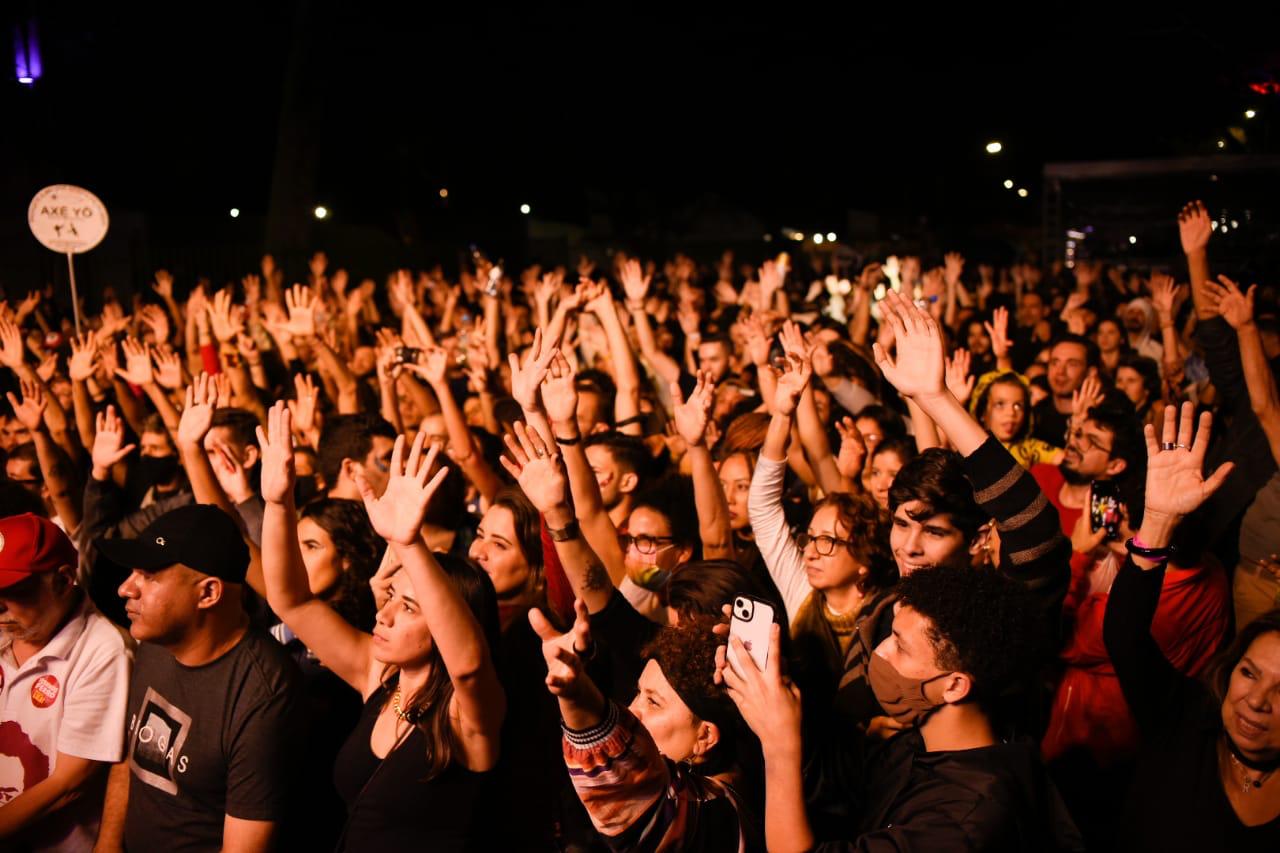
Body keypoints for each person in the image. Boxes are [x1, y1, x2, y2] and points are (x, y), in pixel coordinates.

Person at [256, 403, 505, 851]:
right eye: (390, 599)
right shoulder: (382, 679)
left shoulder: (471, 713)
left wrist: (408, 543)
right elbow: (289, 600)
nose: (383, 616)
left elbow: (466, 665)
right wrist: (278, 502)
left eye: (409, 608)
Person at [722, 565, 1082, 851]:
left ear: (954, 685)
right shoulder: (910, 740)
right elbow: (833, 798)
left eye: (900, 646)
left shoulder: (965, 823)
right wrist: (779, 687)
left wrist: (779, 745)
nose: (879, 653)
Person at [1103, 403, 1280, 850]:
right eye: (1248, 672)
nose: (1256, 702)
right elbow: (1124, 635)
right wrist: (1158, 522)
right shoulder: (1185, 719)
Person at [94, 503, 301, 853]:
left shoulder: (264, 694)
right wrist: (108, 845)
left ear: (208, 593)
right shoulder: (157, 639)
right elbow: (132, 755)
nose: (125, 589)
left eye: (150, 575)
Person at [0, 514, 131, 852]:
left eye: (12, 590)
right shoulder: (8, 627)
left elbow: (69, 784)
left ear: (63, 579)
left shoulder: (103, 651)